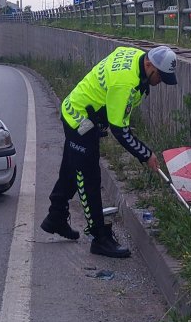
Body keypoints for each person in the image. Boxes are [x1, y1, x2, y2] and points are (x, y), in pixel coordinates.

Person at [40, 45, 178, 258]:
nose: (160, 81)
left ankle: (55, 217)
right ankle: (99, 238)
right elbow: (120, 132)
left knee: (71, 168)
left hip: (81, 111)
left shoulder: (136, 57)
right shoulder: (125, 82)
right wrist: (146, 154)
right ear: (149, 64)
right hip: (80, 119)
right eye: (160, 76)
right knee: (89, 177)